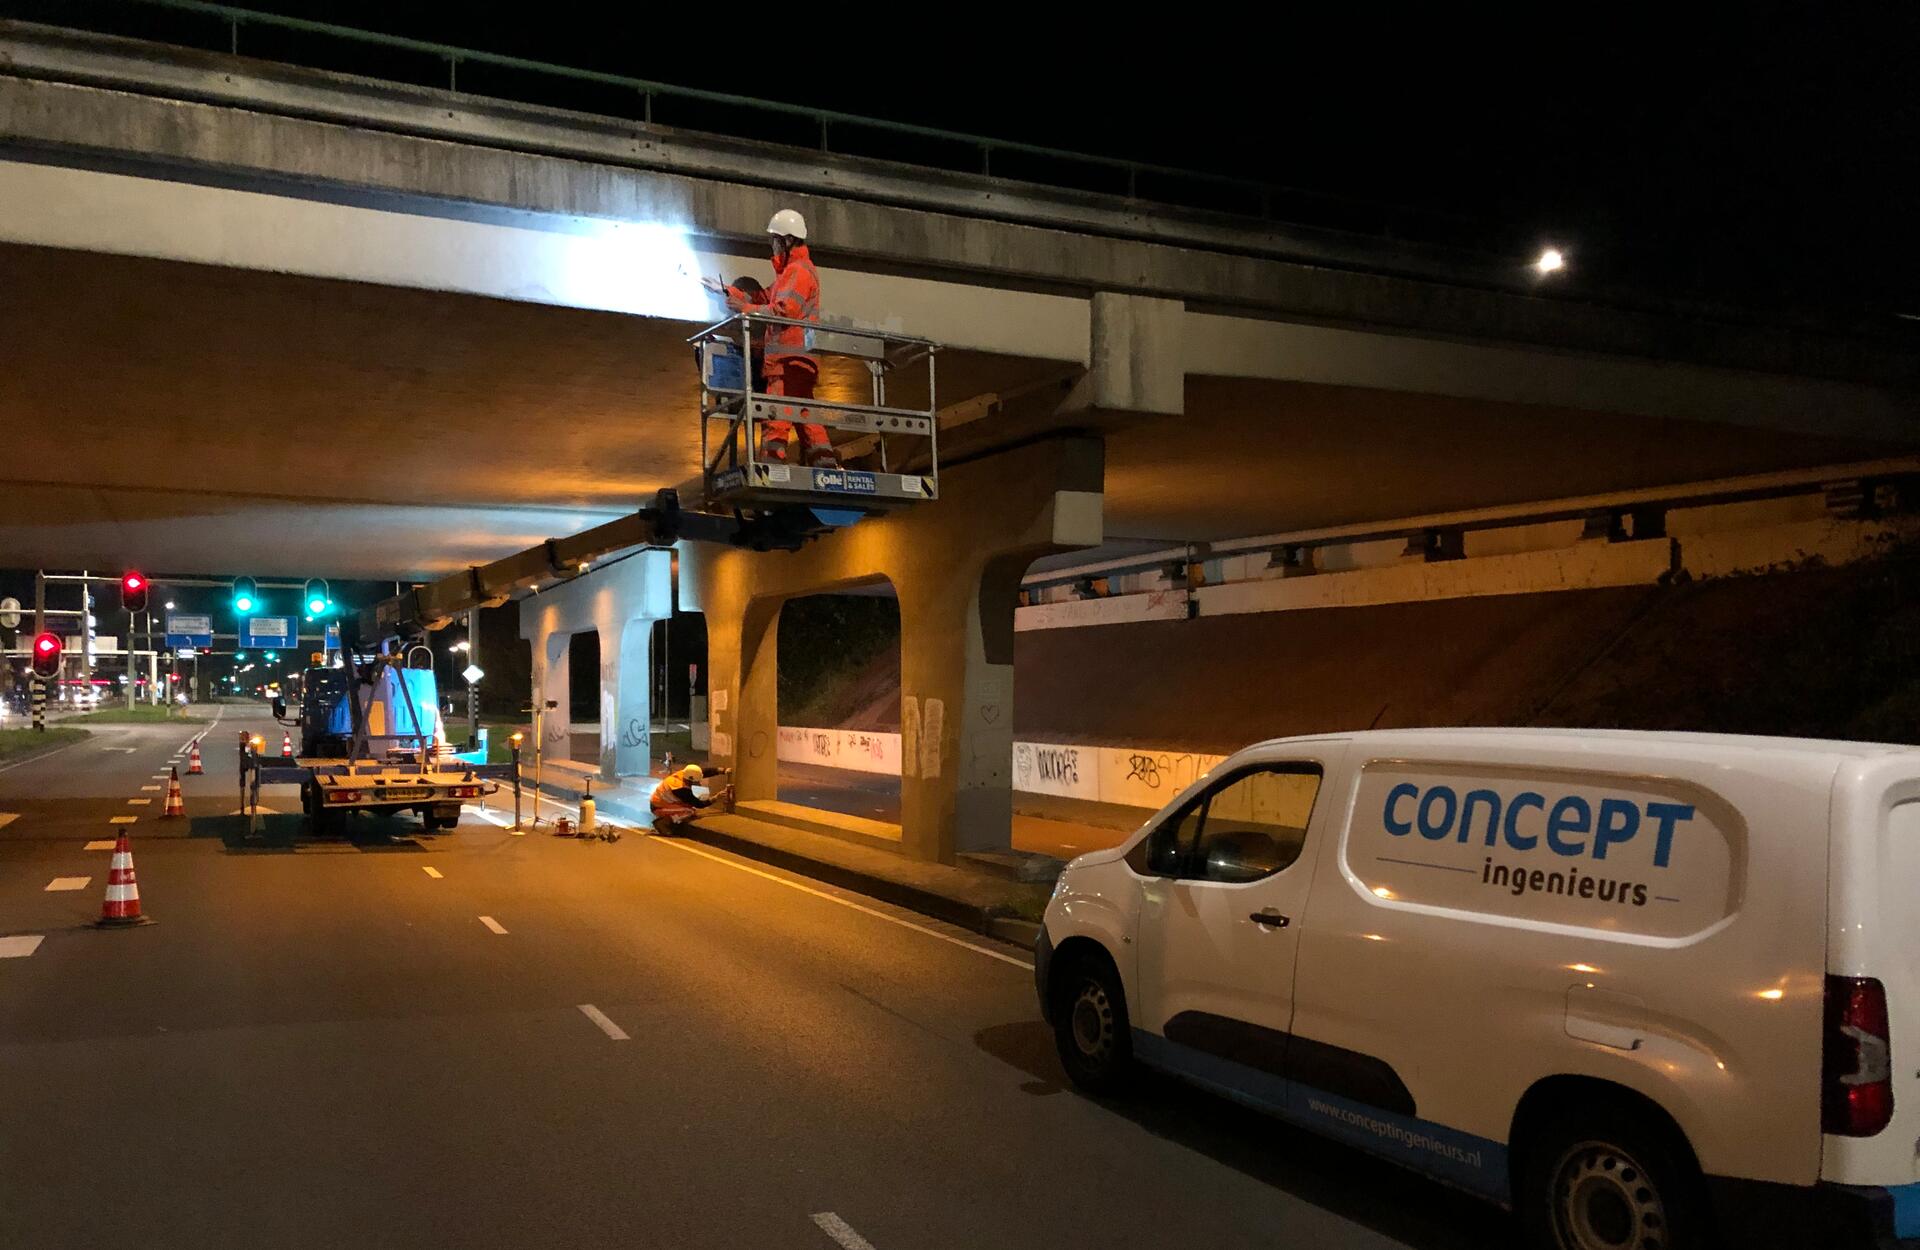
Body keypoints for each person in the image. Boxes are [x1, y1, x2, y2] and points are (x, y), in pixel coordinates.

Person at [703, 209, 838, 468]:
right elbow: (764, 297)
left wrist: (745, 310)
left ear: (788, 240)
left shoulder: (797, 271)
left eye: (775, 240)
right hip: (797, 360)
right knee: (805, 413)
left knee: (776, 414)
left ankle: (771, 468)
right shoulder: (794, 271)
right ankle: (826, 465)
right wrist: (725, 289)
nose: (773, 247)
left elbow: (784, 310)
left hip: (788, 360)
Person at [649, 762, 731, 834]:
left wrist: (723, 770)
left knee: (688, 806)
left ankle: (667, 818)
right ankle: (664, 822)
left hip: (662, 801)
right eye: (697, 781)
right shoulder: (681, 789)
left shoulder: (684, 774)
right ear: (690, 780)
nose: (699, 782)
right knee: (690, 811)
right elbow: (699, 804)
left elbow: (705, 772)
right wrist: (716, 798)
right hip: (659, 807)